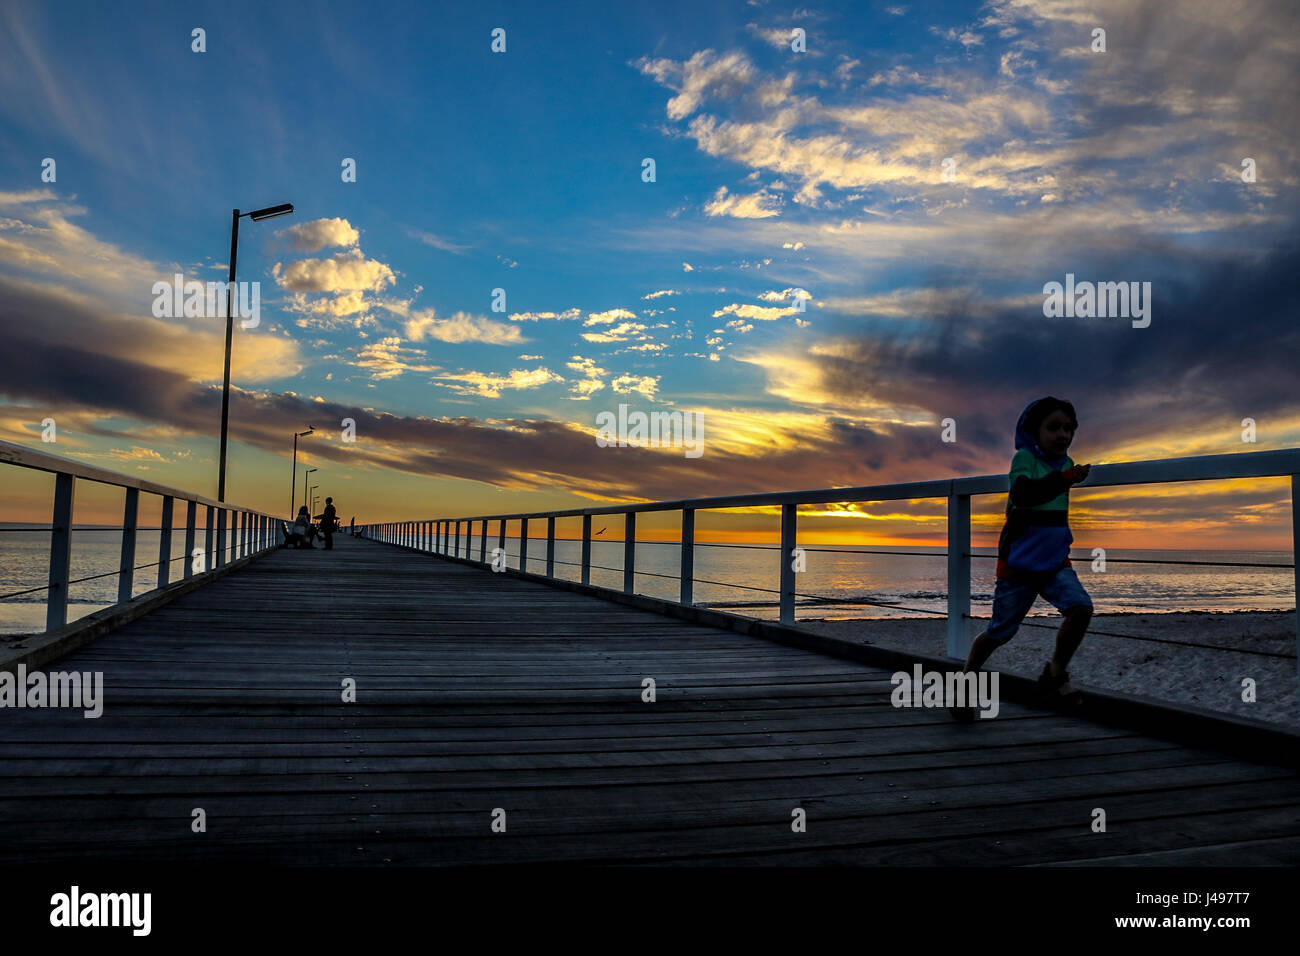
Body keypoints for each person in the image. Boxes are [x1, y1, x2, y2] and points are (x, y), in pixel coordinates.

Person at [950, 397, 1094, 721]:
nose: (1063, 435)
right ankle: (965, 682)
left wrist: (1066, 476)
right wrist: (1065, 479)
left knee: (1081, 609)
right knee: (1000, 632)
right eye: (1054, 427)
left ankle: (1055, 672)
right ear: (1034, 431)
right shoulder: (1025, 458)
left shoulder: (1066, 462)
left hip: (1056, 562)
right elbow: (1024, 495)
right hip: (1019, 564)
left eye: (1069, 428)